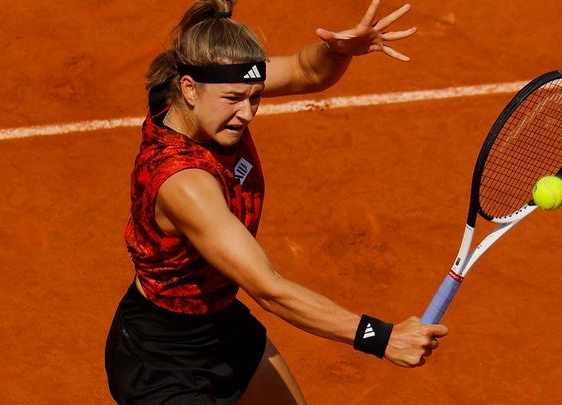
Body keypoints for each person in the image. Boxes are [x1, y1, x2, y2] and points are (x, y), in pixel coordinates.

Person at [105, 0, 449, 403]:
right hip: (162, 359)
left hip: (220, 326)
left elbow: (305, 70)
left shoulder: (209, 87)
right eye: (234, 98)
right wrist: (381, 337)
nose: (247, 113)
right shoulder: (184, 183)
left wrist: (337, 51)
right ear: (188, 89)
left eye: (255, 96)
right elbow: (268, 289)